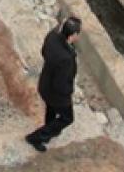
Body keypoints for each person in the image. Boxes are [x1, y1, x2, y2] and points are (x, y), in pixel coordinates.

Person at [26, 17, 82, 152]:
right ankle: (36, 137)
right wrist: (69, 92)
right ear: (73, 36)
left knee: (51, 110)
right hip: (56, 94)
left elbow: (43, 52)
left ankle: (50, 130)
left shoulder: (52, 37)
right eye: (78, 33)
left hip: (45, 84)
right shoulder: (66, 59)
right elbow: (61, 84)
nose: (79, 36)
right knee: (67, 118)